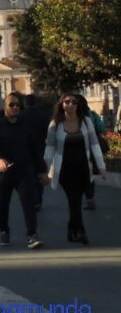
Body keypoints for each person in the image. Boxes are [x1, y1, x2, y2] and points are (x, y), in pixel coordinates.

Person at [43, 93, 108, 245]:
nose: (70, 104)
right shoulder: (55, 123)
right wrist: (45, 171)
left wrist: (101, 167)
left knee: (76, 200)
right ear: (61, 104)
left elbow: (94, 144)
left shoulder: (85, 122)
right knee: (74, 199)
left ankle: (71, 230)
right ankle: (80, 231)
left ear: (78, 105)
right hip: (65, 169)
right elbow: (50, 147)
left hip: (84, 168)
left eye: (74, 102)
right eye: (67, 102)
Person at [0, 93, 49, 249]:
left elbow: (35, 150)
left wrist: (42, 171)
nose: (15, 108)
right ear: (4, 107)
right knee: (3, 204)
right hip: (4, 172)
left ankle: (32, 235)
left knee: (29, 203)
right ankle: (4, 231)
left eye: (18, 105)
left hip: (24, 171)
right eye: (12, 105)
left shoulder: (26, 126)